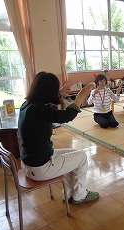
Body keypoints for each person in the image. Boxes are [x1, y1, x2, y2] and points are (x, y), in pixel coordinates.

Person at [18, 71, 99, 205]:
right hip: (40, 167)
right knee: (82, 157)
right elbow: (66, 116)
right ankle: (80, 195)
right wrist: (80, 97)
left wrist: (59, 93)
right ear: (48, 92)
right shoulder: (40, 110)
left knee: (73, 153)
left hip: (30, 163)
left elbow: (45, 107)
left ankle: (68, 194)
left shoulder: (27, 105)